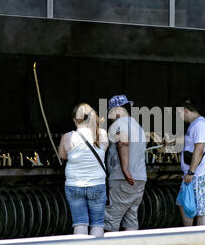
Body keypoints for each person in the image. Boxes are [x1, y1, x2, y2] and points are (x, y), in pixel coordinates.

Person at [58, 103, 109, 237]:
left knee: (80, 222)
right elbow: (103, 151)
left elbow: (62, 156)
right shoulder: (102, 134)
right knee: (97, 223)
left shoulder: (68, 137)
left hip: (75, 185)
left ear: (75, 120)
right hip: (97, 184)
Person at [104, 95, 147, 232]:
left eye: (110, 111)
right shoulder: (138, 127)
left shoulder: (119, 123)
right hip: (139, 179)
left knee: (112, 219)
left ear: (118, 109)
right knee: (131, 218)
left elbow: (123, 141)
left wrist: (125, 168)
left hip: (122, 179)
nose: (109, 114)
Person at [176, 97, 205, 226]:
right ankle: (189, 233)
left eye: (179, 113)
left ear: (185, 110)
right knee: (183, 203)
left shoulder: (200, 125)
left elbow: (199, 148)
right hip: (192, 174)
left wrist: (191, 172)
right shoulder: (194, 125)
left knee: (200, 209)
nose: (179, 117)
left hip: (199, 173)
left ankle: (204, 240)